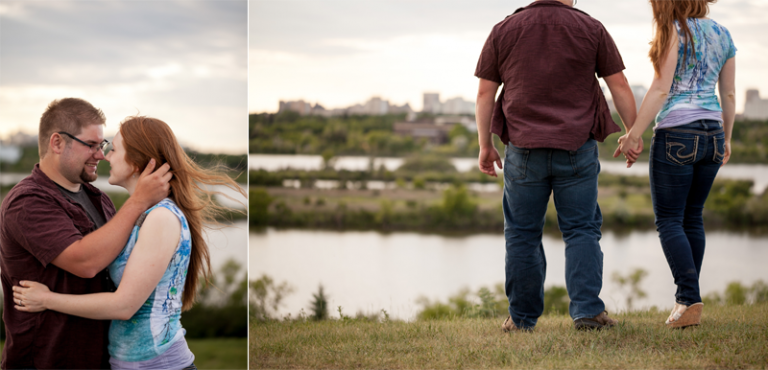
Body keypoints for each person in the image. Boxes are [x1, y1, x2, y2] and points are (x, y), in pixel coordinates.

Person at [13, 115, 247, 369]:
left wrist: (48, 300)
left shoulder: (161, 217)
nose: (106, 156)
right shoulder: (144, 215)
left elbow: (124, 305)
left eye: (113, 149)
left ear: (137, 163)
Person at [474, 0, 642, 331]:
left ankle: (521, 320)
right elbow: (618, 84)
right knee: (581, 229)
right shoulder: (591, 28)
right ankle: (588, 312)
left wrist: (485, 144)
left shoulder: (504, 29)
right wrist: (632, 134)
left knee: (521, 234)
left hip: (522, 150)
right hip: (576, 147)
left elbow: (484, 94)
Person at [0, 98, 171, 370]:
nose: (100, 154)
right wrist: (138, 201)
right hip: (48, 360)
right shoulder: (27, 202)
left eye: (102, 145)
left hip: (101, 359)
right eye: (91, 145)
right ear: (57, 143)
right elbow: (85, 263)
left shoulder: (98, 199)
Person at [615, 0, 736, 328]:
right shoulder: (723, 34)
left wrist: (632, 135)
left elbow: (660, 89)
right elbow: (728, 95)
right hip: (713, 131)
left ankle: (688, 298)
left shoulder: (673, 30)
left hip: (677, 132)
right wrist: (726, 138)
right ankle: (687, 302)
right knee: (692, 218)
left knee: (669, 220)